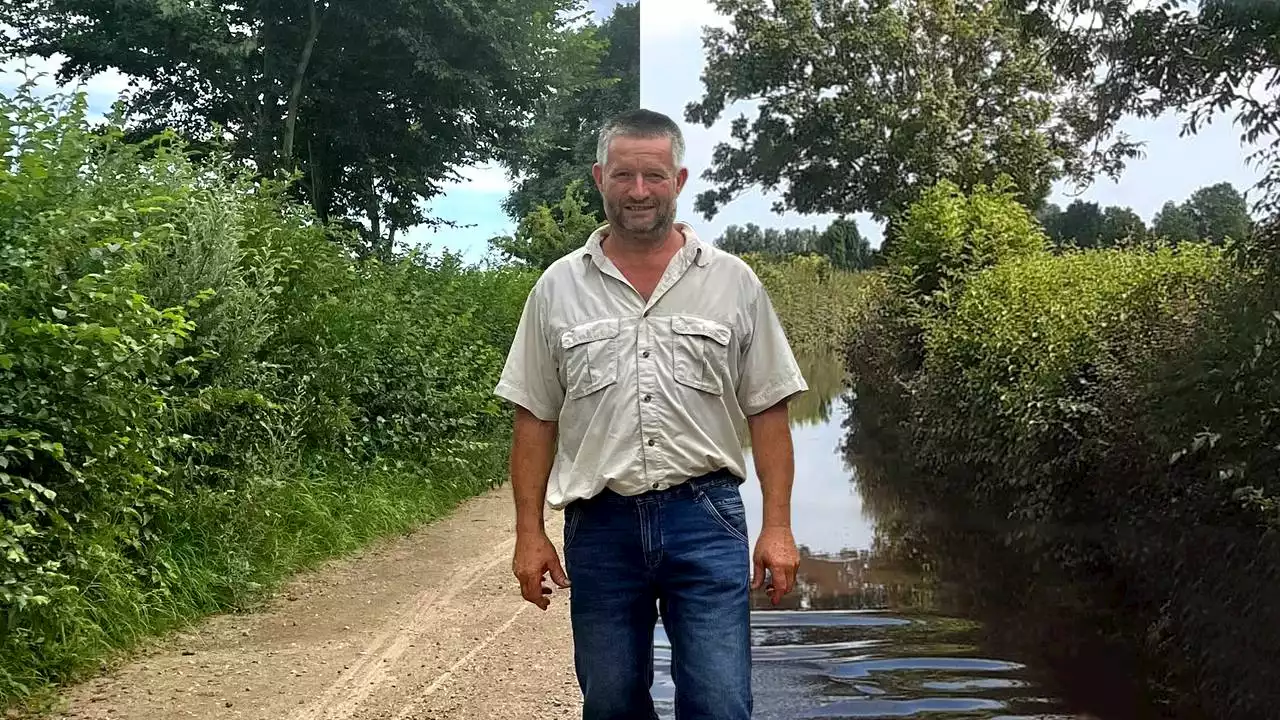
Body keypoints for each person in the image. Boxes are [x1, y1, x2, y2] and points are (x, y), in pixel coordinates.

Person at [493, 108, 807, 719]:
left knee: (719, 704)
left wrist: (778, 526)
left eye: (654, 176)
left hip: (705, 518)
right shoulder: (556, 289)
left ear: (679, 180)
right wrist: (528, 534)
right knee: (611, 706)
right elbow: (534, 419)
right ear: (598, 177)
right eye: (624, 175)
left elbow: (768, 410)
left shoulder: (734, 283)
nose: (639, 192)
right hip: (600, 528)